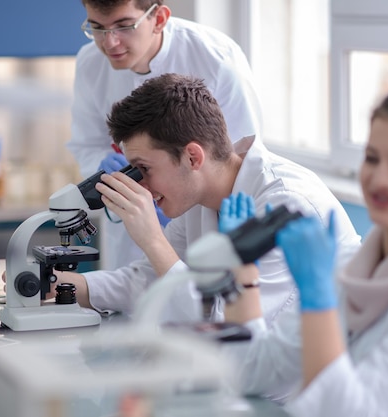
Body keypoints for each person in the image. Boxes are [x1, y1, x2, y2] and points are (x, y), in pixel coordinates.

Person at [222, 57, 388, 415]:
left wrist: (318, 300)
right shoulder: (352, 265)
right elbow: (252, 372)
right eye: (372, 158)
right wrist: (242, 272)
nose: (379, 179)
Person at [46, 73, 361, 327]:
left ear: (192, 156)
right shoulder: (198, 198)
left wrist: (153, 240)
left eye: (143, 168)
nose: (139, 182)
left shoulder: (286, 206)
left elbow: (227, 321)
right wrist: (68, 285)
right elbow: (152, 281)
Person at [66, 0, 262, 270]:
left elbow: (238, 158)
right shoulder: (90, 63)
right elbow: (86, 143)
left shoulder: (216, 57)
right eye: (97, 28)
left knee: (204, 301)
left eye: (124, 26)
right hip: (129, 239)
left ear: (158, 18)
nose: (109, 43)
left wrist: (180, 200)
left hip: (207, 226)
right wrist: (109, 172)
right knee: (135, 290)